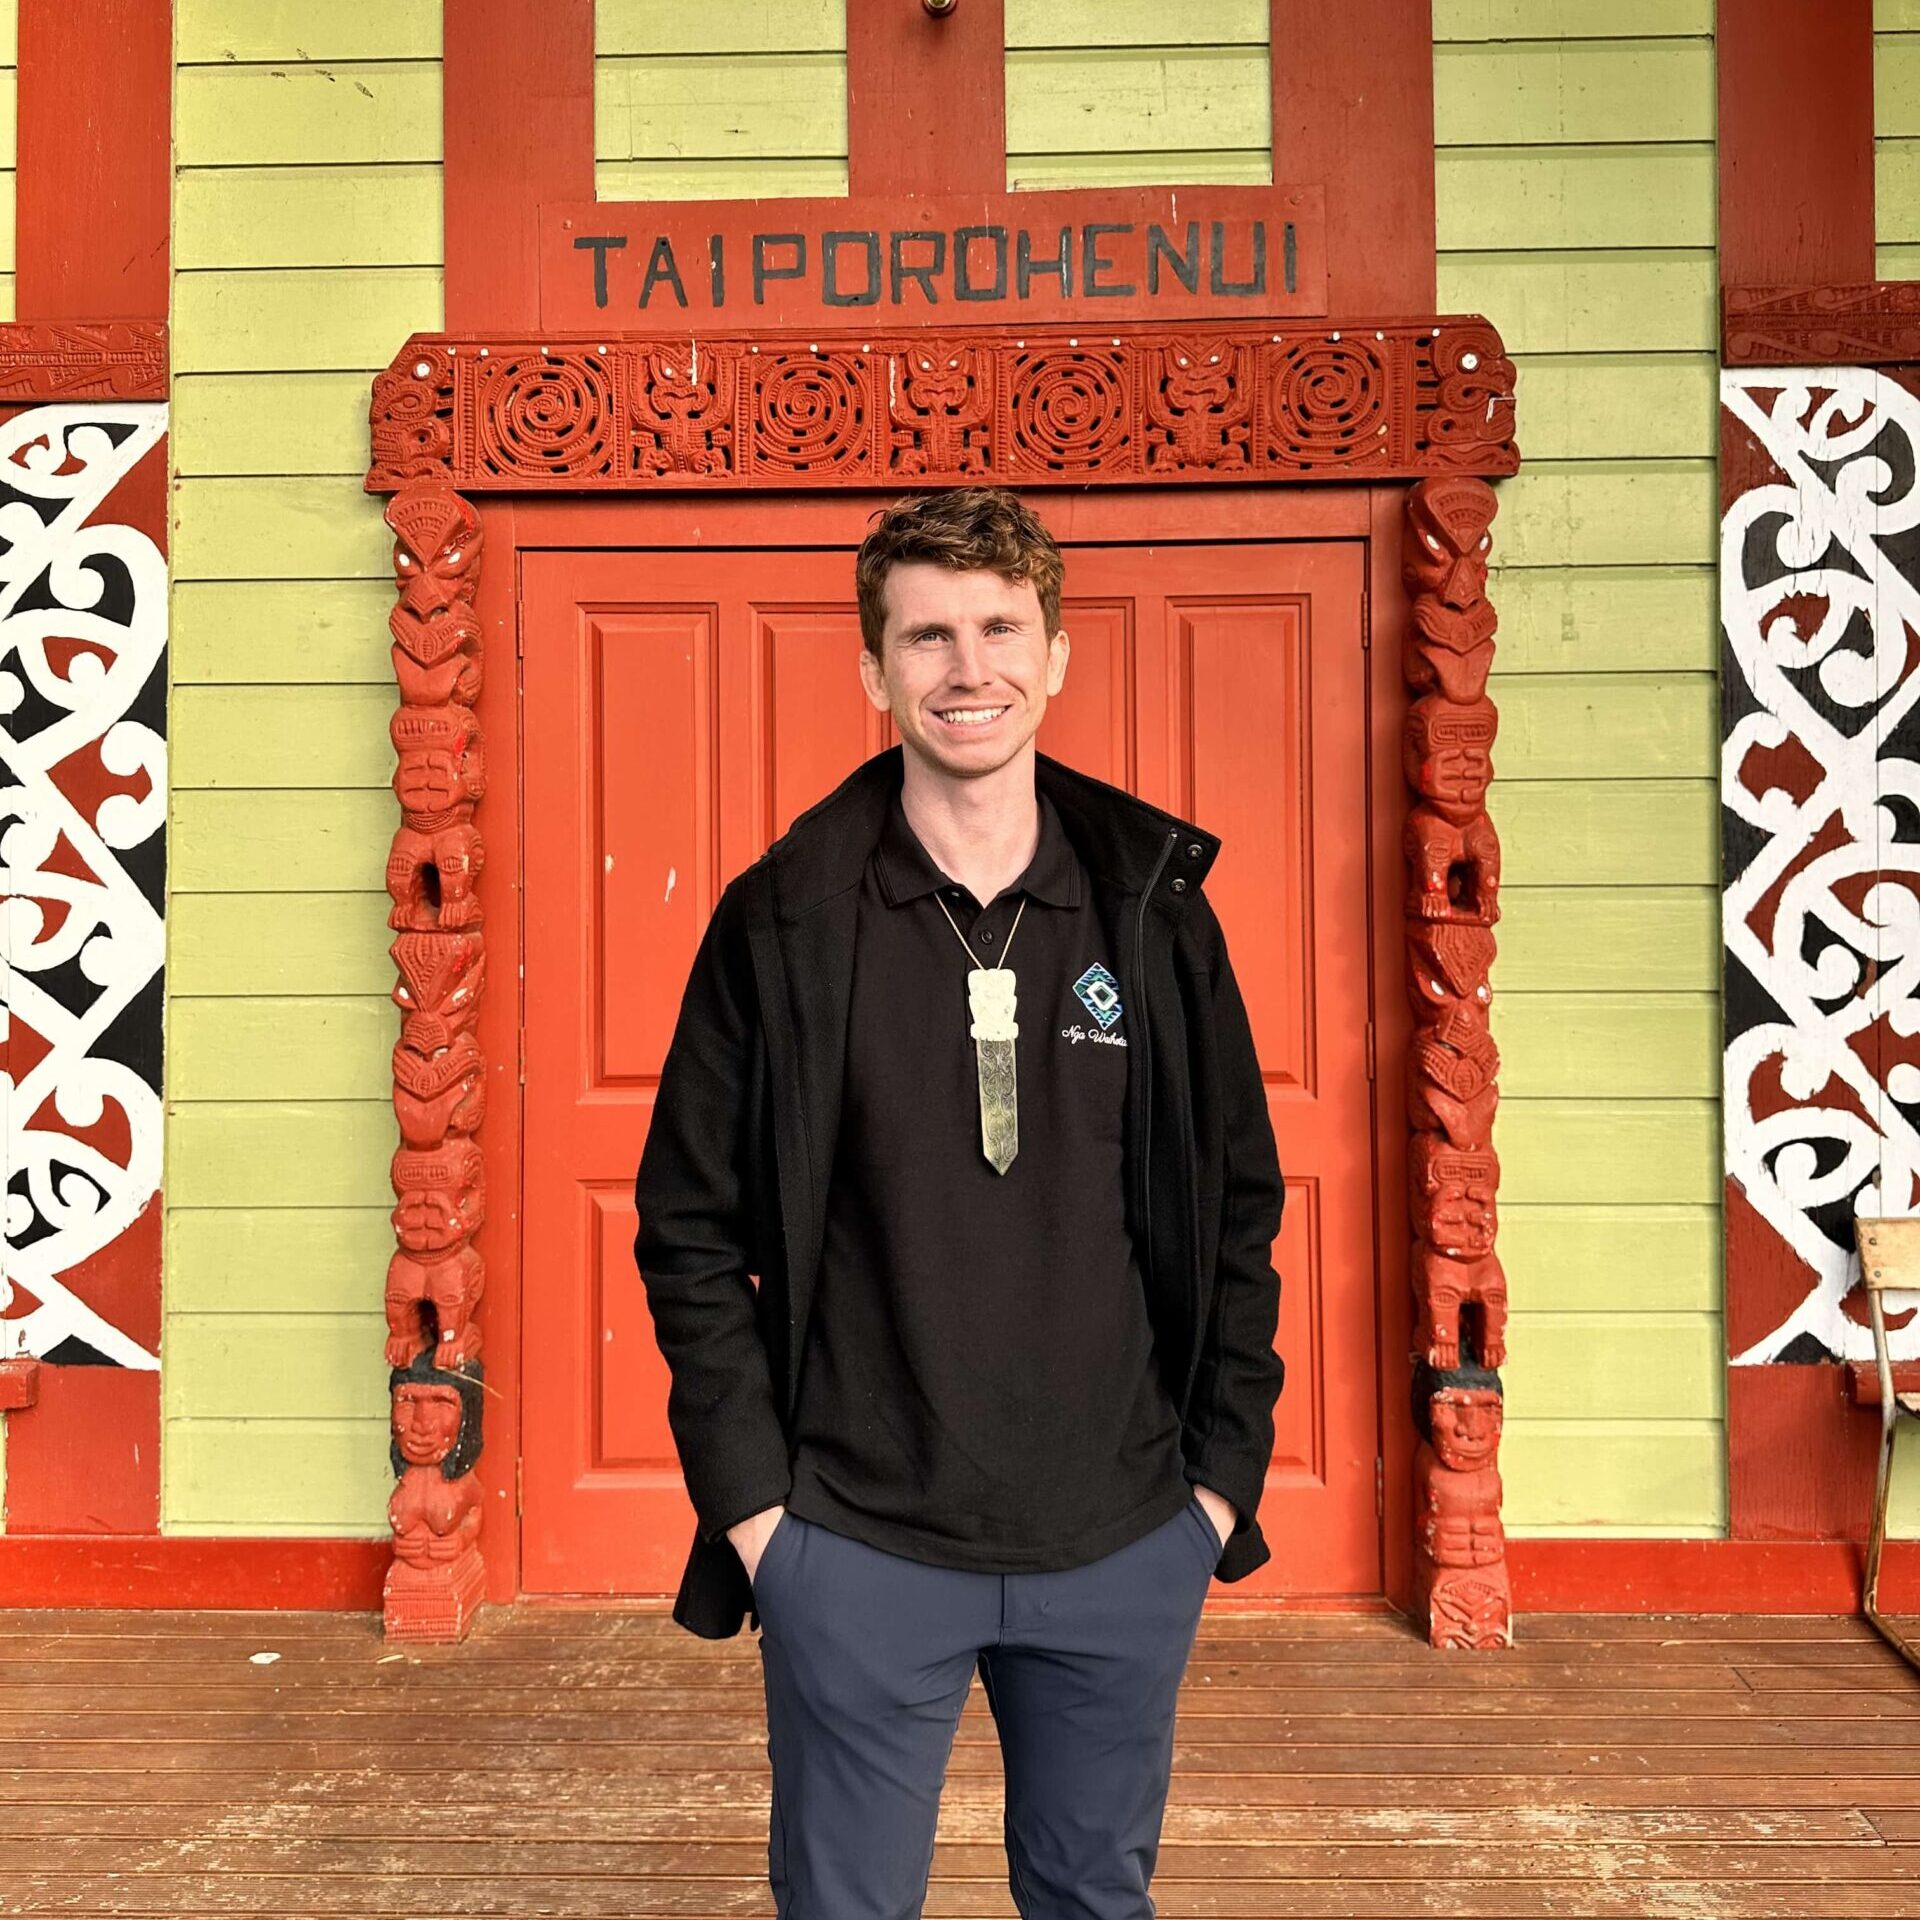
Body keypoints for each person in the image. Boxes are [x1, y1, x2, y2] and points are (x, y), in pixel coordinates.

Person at [633, 485, 1286, 1918]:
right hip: (858, 1544)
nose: (967, 668)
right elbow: (686, 1226)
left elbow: (1238, 1204)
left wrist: (1214, 1486)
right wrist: (758, 1520)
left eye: (1001, 628)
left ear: (1056, 657)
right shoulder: (786, 919)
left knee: (1092, 1898)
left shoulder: (1155, 915)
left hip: (1122, 1535)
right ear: (874, 669)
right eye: (926, 636)